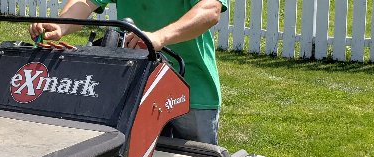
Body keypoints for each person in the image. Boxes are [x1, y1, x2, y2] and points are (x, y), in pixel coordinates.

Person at [29, 0, 228, 145]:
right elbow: (85, 3)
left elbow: (211, 9)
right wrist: (60, 25)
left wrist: (159, 37)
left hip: (192, 89)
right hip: (138, 86)